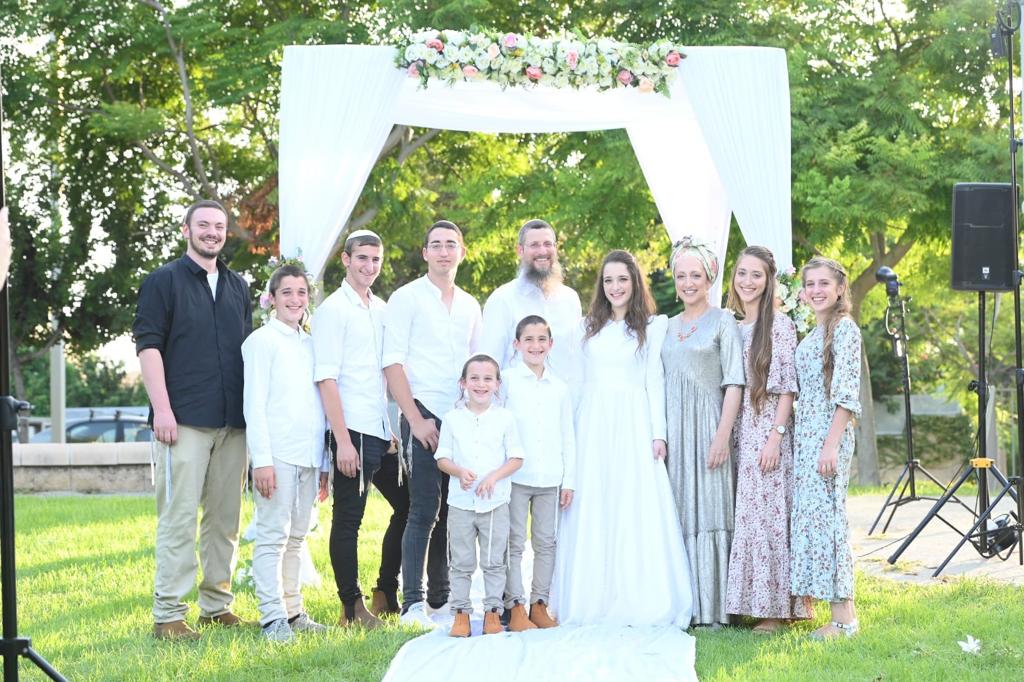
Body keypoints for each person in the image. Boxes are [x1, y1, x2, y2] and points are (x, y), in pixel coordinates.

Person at [552, 250, 692, 626]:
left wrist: (658, 433)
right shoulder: (587, 328)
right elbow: (572, 379)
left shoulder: (653, 325)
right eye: (609, 280)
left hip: (634, 423)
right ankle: (591, 598)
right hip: (594, 424)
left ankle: (638, 596)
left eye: (622, 279)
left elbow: (654, 381)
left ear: (634, 282)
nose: (615, 287)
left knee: (633, 505)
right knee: (594, 505)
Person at [133, 199, 252, 640]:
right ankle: (168, 614)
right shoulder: (162, 282)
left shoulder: (238, 287)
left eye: (219, 227)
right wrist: (162, 409)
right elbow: (149, 348)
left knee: (225, 519)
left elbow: (245, 356)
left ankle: (216, 605)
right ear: (186, 230)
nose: (212, 233)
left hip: (232, 423)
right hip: (181, 420)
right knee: (179, 517)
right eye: (203, 225)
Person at [382, 220, 482, 627]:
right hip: (421, 411)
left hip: (459, 417)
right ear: (425, 253)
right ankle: (412, 603)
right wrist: (415, 419)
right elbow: (392, 363)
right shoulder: (406, 299)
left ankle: (443, 597)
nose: (443, 252)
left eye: (451, 245)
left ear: (461, 252)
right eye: (436, 245)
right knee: (423, 507)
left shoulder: (472, 305)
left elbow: (479, 367)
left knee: (453, 507)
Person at [312, 230, 409, 628]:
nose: (370, 266)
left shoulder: (382, 309)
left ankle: (385, 589)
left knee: (410, 505)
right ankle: (351, 608)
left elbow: (384, 374)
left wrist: (390, 429)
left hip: (380, 432)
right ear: (346, 260)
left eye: (376, 260)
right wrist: (344, 442)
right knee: (348, 520)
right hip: (350, 431)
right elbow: (326, 379)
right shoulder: (333, 311)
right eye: (362, 258)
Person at [723, 246, 813, 632]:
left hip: (767, 431)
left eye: (756, 275)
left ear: (769, 280)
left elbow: (788, 389)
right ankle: (750, 602)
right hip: (741, 431)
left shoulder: (779, 325)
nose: (747, 281)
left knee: (770, 519)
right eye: (742, 273)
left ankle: (777, 611)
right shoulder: (732, 325)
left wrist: (775, 438)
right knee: (749, 520)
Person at [243, 263, 329, 642]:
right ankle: (272, 616)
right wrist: (261, 460)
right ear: (272, 299)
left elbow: (320, 405)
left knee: (297, 537)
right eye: (287, 292)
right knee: (272, 536)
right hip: (276, 455)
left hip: (309, 455)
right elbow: (254, 404)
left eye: (301, 292)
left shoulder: (311, 343)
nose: (295, 299)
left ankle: (294, 612)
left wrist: (324, 461)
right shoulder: (261, 341)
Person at [661, 236, 744, 627]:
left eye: (696, 275)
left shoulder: (724, 321)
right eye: (681, 275)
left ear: (710, 277)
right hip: (674, 431)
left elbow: (734, 382)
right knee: (679, 512)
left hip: (709, 426)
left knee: (710, 509)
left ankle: (715, 609)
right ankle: (684, 606)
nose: (688, 282)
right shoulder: (664, 326)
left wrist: (722, 435)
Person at [791, 256, 862, 640]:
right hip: (806, 439)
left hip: (827, 439)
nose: (816, 290)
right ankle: (827, 609)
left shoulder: (845, 330)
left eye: (824, 284)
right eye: (810, 284)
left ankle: (845, 620)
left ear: (839, 289)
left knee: (832, 522)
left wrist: (830, 445)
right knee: (814, 523)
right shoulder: (814, 333)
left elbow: (847, 397)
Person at [435, 354, 524, 637]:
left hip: (495, 502)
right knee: (460, 561)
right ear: (463, 383)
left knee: (494, 561)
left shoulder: (505, 418)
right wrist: (460, 472)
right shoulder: (451, 419)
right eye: (474, 378)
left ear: (497, 384)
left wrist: (493, 477)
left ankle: (492, 613)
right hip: (461, 504)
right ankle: (461, 613)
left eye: (488, 379)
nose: (481, 384)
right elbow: (442, 458)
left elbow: (516, 458)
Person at [501, 315, 575, 631]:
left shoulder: (559, 387)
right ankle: (514, 606)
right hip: (516, 477)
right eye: (528, 340)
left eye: (541, 339)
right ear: (517, 344)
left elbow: (567, 436)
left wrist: (568, 480)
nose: (535, 345)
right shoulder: (506, 381)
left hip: (550, 478)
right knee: (514, 542)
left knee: (546, 542)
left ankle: (539, 603)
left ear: (551, 344)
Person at [480, 219, 581, 378]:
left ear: (556, 248)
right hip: (517, 401)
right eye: (534, 245)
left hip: (565, 400)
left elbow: (576, 358)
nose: (542, 251)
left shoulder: (571, 299)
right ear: (520, 250)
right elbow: (489, 364)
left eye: (548, 244)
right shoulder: (502, 299)